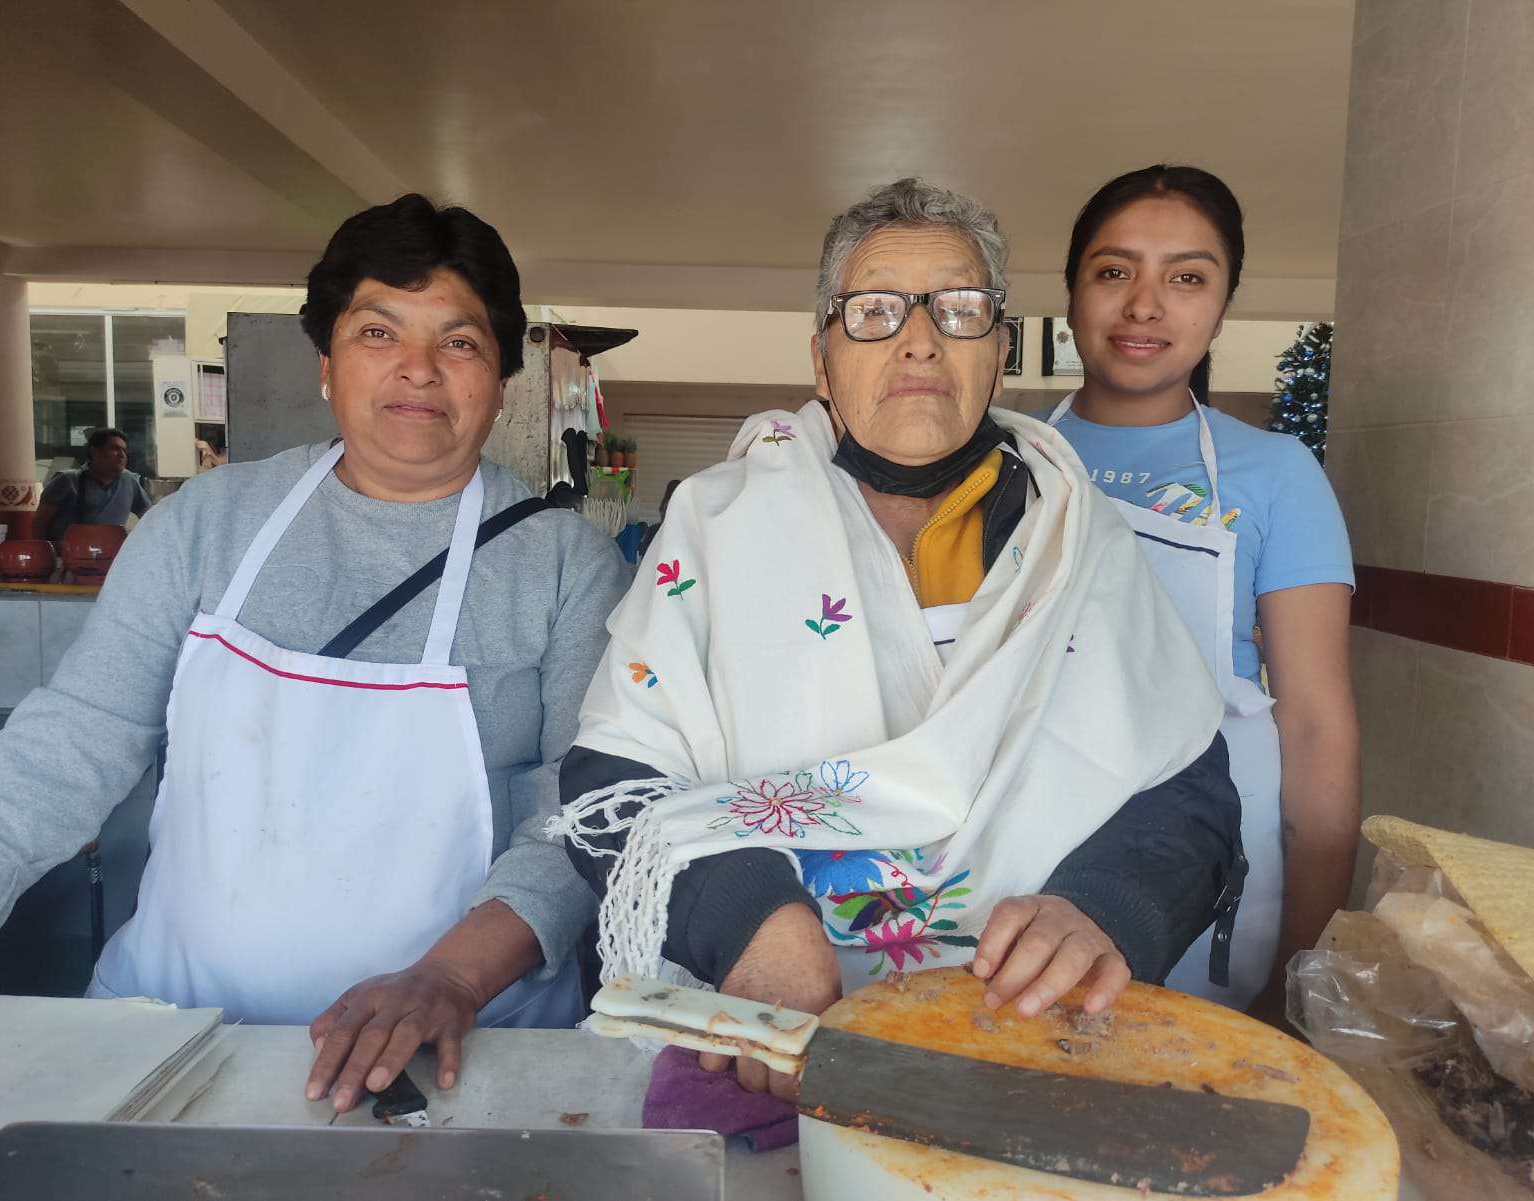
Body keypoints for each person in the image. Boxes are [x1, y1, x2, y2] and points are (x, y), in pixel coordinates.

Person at [0, 194, 629, 1114]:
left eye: (458, 343)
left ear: (500, 379)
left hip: (455, 1060)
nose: (418, 370)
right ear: (326, 365)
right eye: (379, 332)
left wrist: (452, 980)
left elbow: (580, 817)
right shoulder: (207, 524)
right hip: (179, 1035)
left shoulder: (562, 563)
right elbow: (75, 735)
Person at [551, 178, 1244, 1099]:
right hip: (758, 1046)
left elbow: (1186, 785)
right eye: (874, 310)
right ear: (821, 358)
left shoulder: (1079, 543)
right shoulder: (717, 527)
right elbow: (610, 782)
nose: (919, 339)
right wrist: (752, 922)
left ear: (998, 353)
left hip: (1016, 1046)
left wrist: (1103, 908)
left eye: (958, 309)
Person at [1044, 165, 1358, 1021]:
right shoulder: (1011, 457)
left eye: (1186, 277)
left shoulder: (1276, 475)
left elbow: (1318, 723)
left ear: (1222, 307)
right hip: (1024, 850)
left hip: (1211, 872)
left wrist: (1298, 968)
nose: (1145, 306)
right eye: (1114, 271)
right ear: (1071, 293)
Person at [33, 427, 153, 544]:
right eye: (115, 449)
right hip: (71, 556)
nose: (122, 455)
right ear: (95, 452)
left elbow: (150, 517)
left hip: (113, 556)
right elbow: (39, 522)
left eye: (124, 450)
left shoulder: (130, 481)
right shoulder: (67, 481)